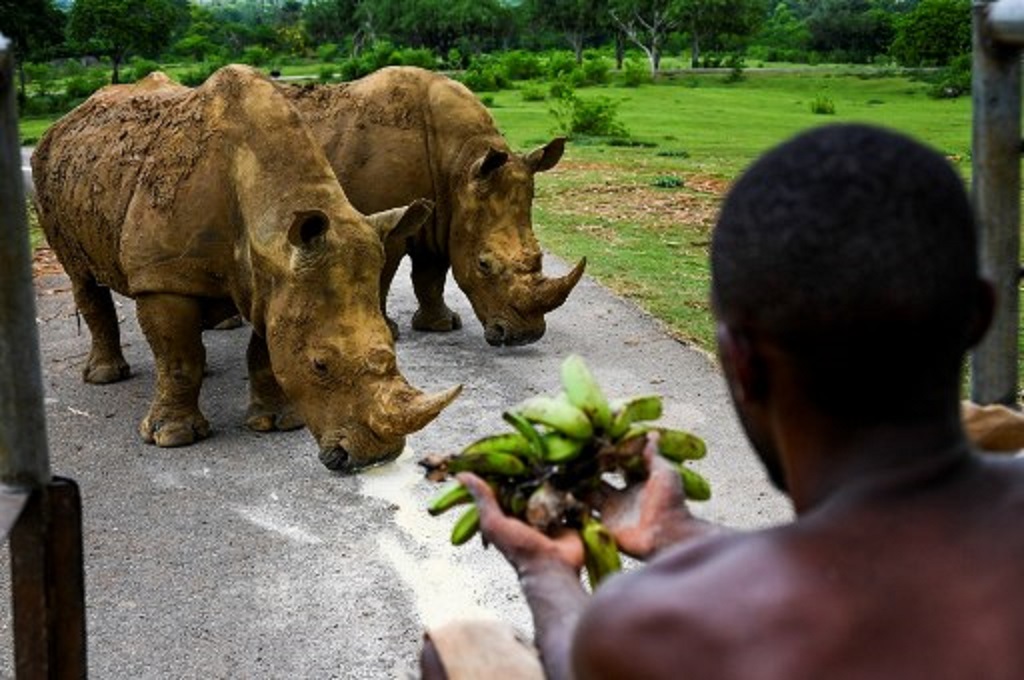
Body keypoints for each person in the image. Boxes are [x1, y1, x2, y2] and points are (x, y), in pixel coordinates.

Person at [425, 124, 1024, 679]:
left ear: (741, 360)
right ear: (981, 318)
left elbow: (575, 658)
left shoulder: (663, 626)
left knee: (448, 653)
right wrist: (685, 535)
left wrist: (543, 571)